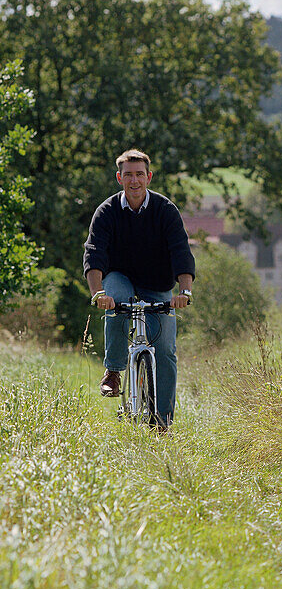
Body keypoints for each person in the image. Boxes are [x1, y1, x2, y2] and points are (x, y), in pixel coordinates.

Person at [83, 149, 195, 430]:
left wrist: (185, 292)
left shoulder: (165, 210)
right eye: (129, 175)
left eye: (140, 174)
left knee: (166, 350)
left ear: (149, 177)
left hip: (157, 283)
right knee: (117, 301)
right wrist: (98, 293)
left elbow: (181, 251)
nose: (135, 181)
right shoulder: (106, 212)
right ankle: (114, 370)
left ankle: (163, 424)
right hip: (119, 275)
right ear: (120, 178)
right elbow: (94, 253)